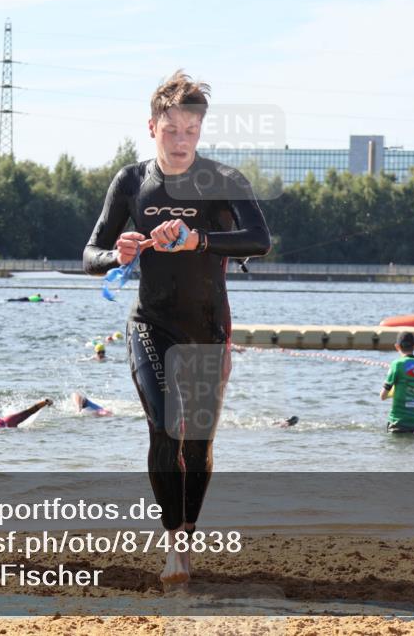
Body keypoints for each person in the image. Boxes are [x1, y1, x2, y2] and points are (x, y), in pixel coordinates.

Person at [82, 70, 271, 585]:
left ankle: (187, 536)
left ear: (200, 131)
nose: (181, 140)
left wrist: (198, 240)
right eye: (171, 130)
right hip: (151, 323)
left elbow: (259, 240)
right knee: (166, 424)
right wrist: (116, 253)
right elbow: (90, 254)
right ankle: (173, 547)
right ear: (152, 128)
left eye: (191, 130)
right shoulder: (130, 181)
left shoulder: (224, 180)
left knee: (196, 445)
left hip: (208, 327)